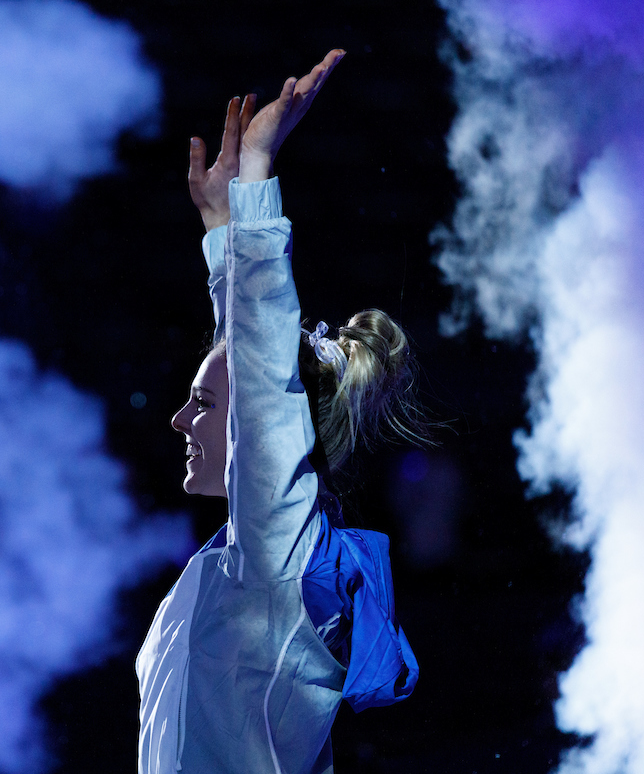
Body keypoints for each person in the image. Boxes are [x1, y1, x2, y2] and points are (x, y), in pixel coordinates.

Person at [136, 51, 423, 774]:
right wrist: (221, 236)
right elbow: (250, 366)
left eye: (204, 405)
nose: (179, 421)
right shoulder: (241, 561)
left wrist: (257, 183)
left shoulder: (279, 559)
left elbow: (261, 382)